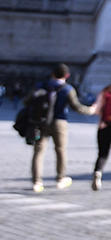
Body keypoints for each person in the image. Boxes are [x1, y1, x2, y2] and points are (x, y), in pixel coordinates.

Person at [29, 64, 95, 192]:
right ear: (67, 75)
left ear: (52, 74)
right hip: (60, 122)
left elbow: (27, 101)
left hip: (41, 121)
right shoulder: (67, 89)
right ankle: (60, 178)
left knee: (38, 151)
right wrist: (91, 110)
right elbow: (76, 107)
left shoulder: (41, 85)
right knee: (60, 150)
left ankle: (37, 182)